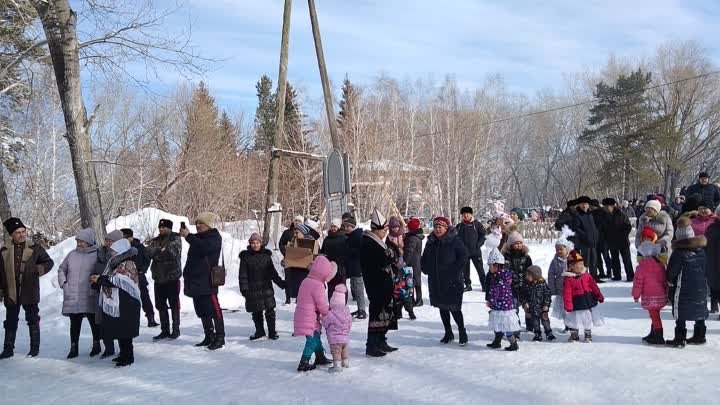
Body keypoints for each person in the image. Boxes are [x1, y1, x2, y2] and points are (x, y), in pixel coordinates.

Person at [0, 217, 54, 359]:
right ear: (11, 234)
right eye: (18, 232)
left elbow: (49, 262)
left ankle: (34, 348)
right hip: (11, 291)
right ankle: (8, 349)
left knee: (32, 318)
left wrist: (37, 269)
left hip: (29, 289)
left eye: (23, 231)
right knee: (10, 320)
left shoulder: (34, 248)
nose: (22, 234)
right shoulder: (4, 250)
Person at [90, 238, 140, 367]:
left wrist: (101, 279)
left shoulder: (128, 263)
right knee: (120, 330)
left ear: (120, 251)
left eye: (113, 251)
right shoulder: (114, 263)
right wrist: (98, 281)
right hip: (119, 302)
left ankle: (128, 356)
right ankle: (123, 354)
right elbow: (110, 278)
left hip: (127, 302)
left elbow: (119, 280)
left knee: (125, 331)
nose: (111, 253)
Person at [180, 212, 225, 351]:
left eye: (201, 223)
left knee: (214, 310)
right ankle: (209, 335)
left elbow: (204, 248)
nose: (198, 225)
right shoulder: (197, 238)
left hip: (207, 281)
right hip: (195, 281)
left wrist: (188, 236)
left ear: (209, 224)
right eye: (197, 223)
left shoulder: (214, 237)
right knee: (202, 311)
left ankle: (220, 337)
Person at [421, 216, 469, 345]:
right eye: (435, 227)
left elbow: (464, 255)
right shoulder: (431, 241)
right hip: (436, 280)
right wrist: (424, 267)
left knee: (454, 308)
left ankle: (462, 331)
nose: (437, 229)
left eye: (440, 227)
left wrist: (455, 270)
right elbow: (424, 257)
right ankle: (448, 332)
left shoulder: (455, 240)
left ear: (446, 228)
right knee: (442, 307)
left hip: (452, 280)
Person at [58, 228, 102, 358]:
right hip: (73, 293)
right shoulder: (72, 254)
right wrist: (64, 284)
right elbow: (61, 269)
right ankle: (73, 347)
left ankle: (96, 344)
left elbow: (101, 270)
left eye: (82, 241)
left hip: (89, 293)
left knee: (94, 321)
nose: (79, 243)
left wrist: (96, 284)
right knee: (75, 322)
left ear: (89, 242)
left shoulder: (97, 254)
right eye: (78, 241)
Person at [360, 208, 398, 357]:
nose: (386, 233)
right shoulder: (369, 243)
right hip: (376, 285)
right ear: (378, 230)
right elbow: (381, 260)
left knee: (386, 313)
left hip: (383, 284)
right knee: (377, 313)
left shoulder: (376, 242)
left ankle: (381, 340)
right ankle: (372, 344)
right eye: (385, 230)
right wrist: (390, 256)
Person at [666, 221, 709, 347]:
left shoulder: (679, 253)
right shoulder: (701, 250)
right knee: (699, 308)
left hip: (683, 288)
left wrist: (669, 280)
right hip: (700, 287)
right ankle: (700, 336)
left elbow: (672, 272)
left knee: (681, 311)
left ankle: (680, 338)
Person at [239, 233, 286, 341]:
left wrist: (281, 283)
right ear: (250, 244)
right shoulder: (245, 257)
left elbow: (272, 273)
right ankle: (259, 331)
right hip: (252, 289)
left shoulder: (266, 256)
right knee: (256, 312)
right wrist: (244, 289)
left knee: (270, 311)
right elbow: (243, 275)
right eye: (253, 243)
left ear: (261, 243)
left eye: (257, 242)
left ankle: (272, 332)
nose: (255, 245)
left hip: (266, 288)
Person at [294, 255, 336, 372]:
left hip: (303, 315)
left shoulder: (306, 280)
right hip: (310, 317)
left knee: (316, 337)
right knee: (312, 340)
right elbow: (321, 304)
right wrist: (328, 312)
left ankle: (320, 357)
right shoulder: (317, 285)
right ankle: (304, 362)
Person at [145, 219, 183, 340]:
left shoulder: (175, 238)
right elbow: (148, 253)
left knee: (174, 304)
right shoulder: (156, 240)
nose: (161, 229)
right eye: (160, 228)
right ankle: (164, 329)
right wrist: (158, 251)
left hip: (172, 277)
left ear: (169, 228)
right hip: (159, 278)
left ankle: (176, 329)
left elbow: (171, 253)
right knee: (160, 305)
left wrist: (158, 253)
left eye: (164, 228)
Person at [563, 250, 605, 343]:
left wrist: (599, 295)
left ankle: (588, 333)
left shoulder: (586, 275)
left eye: (582, 263)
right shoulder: (568, 278)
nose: (581, 266)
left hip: (586, 300)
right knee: (573, 318)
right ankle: (574, 333)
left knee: (587, 317)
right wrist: (568, 305)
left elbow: (594, 286)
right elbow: (567, 293)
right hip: (575, 302)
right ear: (571, 266)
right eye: (578, 264)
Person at [95, 229, 124, 359]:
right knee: (103, 321)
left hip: (116, 292)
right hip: (101, 289)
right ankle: (108, 347)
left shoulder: (120, 257)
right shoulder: (99, 254)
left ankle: (123, 348)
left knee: (117, 322)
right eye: (106, 240)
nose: (107, 243)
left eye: (110, 241)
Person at [632, 239, 667, 345]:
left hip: (650, 297)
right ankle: (654, 333)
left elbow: (638, 283)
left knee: (654, 316)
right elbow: (664, 280)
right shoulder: (660, 265)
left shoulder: (641, 267)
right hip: (660, 296)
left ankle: (659, 337)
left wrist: (636, 295)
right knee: (655, 314)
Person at [121, 228, 158, 328]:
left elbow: (147, 259)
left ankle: (151, 318)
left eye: (125, 237)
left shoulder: (139, 246)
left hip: (139, 275)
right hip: (125, 276)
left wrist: (142, 269)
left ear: (131, 237)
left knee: (144, 297)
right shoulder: (120, 247)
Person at [485, 248, 520, 351]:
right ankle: (497, 341)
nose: (489, 268)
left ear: (496, 265)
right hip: (504, 305)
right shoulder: (502, 275)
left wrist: (491, 301)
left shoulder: (498, 278)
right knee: (499, 323)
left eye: (490, 265)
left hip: (502, 306)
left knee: (505, 325)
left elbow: (495, 292)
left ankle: (513, 343)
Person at [502, 231, 533, 332]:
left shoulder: (526, 257)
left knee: (528, 306)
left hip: (525, 285)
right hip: (512, 287)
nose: (519, 245)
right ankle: (516, 326)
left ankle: (530, 325)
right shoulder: (506, 256)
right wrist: (511, 277)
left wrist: (529, 278)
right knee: (514, 308)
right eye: (516, 243)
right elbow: (505, 269)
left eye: (520, 242)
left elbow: (530, 269)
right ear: (511, 244)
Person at [599, 198, 634, 281]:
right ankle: (617, 275)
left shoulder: (620, 214)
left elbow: (628, 226)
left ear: (611, 206)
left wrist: (623, 235)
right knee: (615, 259)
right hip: (612, 241)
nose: (605, 208)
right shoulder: (604, 216)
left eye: (607, 206)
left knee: (626, 259)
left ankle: (630, 275)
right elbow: (603, 229)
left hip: (623, 240)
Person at [569, 196, 602, 283]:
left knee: (594, 261)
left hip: (593, 242)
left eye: (586, 204)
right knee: (585, 262)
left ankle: (594, 277)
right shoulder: (577, 215)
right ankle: (584, 278)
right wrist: (585, 235)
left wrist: (596, 234)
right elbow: (576, 228)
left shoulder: (590, 214)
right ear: (579, 205)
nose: (584, 206)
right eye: (583, 204)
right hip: (584, 243)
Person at [321, 284, 352, 373]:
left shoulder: (330, 313)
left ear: (332, 302)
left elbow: (325, 323)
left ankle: (337, 366)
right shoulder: (347, 313)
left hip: (334, 339)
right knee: (344, 350)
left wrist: (322, 319)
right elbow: (349, 324)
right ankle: (345, 363)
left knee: (336, 352)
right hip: (345, 338)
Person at [455, 206, 486, 292]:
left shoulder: (477, 224)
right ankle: (468, 285)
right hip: (464, 252)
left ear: (471, 214)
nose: (465, 215)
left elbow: (483, 236)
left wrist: (478, 244)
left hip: (475, 251)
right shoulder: (459, 226)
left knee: (480, 269)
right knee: (465, 270)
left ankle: (484, 285)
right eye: (464, 214)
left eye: (467, 213)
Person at [343, 215, 367, 320]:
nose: (346, 228)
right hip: (353, 266)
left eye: (348, 226)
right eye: (345, 226)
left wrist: (348, 251)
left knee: (358, 289)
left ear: (353, 226)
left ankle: (362, 310)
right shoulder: (351, 236)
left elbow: (361, 252)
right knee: (355, 287)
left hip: (358, 267)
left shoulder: (358, 236)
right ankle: (360, 308)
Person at [523, 266, 555, 342]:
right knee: (535, 322)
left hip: (542, 308)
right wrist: (525, 303)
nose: (527, 276)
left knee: (545, 321)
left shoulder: (542, 284)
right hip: (532, 308)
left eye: (528, 275)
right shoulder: (527, 285)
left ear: (535, 276)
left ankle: (549, 332)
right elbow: (523, 295)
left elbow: (547, 295)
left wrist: (546, 305)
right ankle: (537, 334)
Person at [320, 219, 348, 301]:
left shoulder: (344, 238)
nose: (333, 228)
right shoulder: (327, 239)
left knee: (341, 287)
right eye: (332, 226)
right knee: (331, 287)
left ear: (338, 227)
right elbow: (323, 251)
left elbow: (347, 252)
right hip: (330, 268)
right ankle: (331, 306)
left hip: (341, 267)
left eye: (335, 226)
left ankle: (342, 306)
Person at [284, 224, 314, 304]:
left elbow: (317, 258)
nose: (295, 235)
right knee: (299, 298)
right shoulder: (293, 243)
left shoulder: (311, 243)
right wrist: (285, 262)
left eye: (297, 233)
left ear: (303, 233)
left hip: (307, 275)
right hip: (295, 275)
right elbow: (289, 257)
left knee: (308, 298)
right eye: (294, 233)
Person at [548, 233, 572, 332]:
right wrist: (552, 288)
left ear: (567, 249)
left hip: (571, 290)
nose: (559, 251)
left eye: (561, 249)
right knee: (564, 309)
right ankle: (567, 325)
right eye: (557, 249)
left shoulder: (571, 260)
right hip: (560, 290)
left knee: (571, 308)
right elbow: (550, 275)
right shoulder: (554, 261)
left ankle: (573, 325)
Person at [389, 239, 415, 320]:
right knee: (397, 304)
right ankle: (398, 314)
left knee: (408, 304)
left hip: (405, 291)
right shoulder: (391, 270)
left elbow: (409, 280)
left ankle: (411, 313)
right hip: (395, 291)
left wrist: (410, 288)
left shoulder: (406, 270)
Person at [280, 216, 303, 304]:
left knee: (299, 279)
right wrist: (285, 252)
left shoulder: (304, 233)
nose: (297, 222)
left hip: (300, 260)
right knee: (288, 278)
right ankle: (288, 297)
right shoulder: (287, 232)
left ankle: (298, 296)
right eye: (296, 220)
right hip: (289, 258)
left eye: (299, 221)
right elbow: (281, 243)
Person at [403, 218, 425, 307]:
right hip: (416, 262)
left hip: (411, 263)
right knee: (417, 281)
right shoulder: (416, 236)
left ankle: (412, 300)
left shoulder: (412, 238)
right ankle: (419, 299)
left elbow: (409, 251)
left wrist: (404, 262)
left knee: (410, 282)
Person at [705, 206, 720, 315]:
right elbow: (706, 243)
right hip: (713, 258)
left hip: (713, 258)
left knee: (714, 283)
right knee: (713, 283)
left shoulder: (712, 228)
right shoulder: (712, 227)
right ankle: (714, 305)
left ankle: (715, 306)